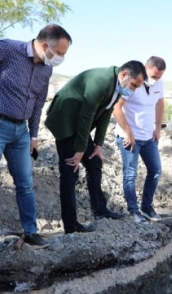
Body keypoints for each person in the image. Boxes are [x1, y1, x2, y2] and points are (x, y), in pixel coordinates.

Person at [0, 24, 72, 253]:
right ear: (45, 45)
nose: (61, 58)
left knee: (25, 184)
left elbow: (38, 103)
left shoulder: (46, 70)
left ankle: (30, 231)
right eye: (60, 52)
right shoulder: (7, 49)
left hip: (20, 132)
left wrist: (33, 135)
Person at [44, 61, 147, 234]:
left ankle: (100, 210)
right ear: (123, 75)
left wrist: (98, 145)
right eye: (133, 85)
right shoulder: (102, 81)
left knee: (94, 163)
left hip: (78, 124)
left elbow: (106, 114)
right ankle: (70, 225)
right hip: (65, 121)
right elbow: (86, 114)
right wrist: (80, 149)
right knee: (70, 171)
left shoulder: (116, 87)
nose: (134, 90)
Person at [112, 56, 166, 223]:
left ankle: (147, 207)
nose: (155, 79)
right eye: (154, 75)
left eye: (159, 77)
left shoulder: (158, 84)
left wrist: (157, 128)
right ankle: (133, 211)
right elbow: (117, 107)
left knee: (155, 170)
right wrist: (128, 133)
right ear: (145, 68)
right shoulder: (133, 83)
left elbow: (159, 104)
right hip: (129, 137)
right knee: (130, 174)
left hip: (148, 136)